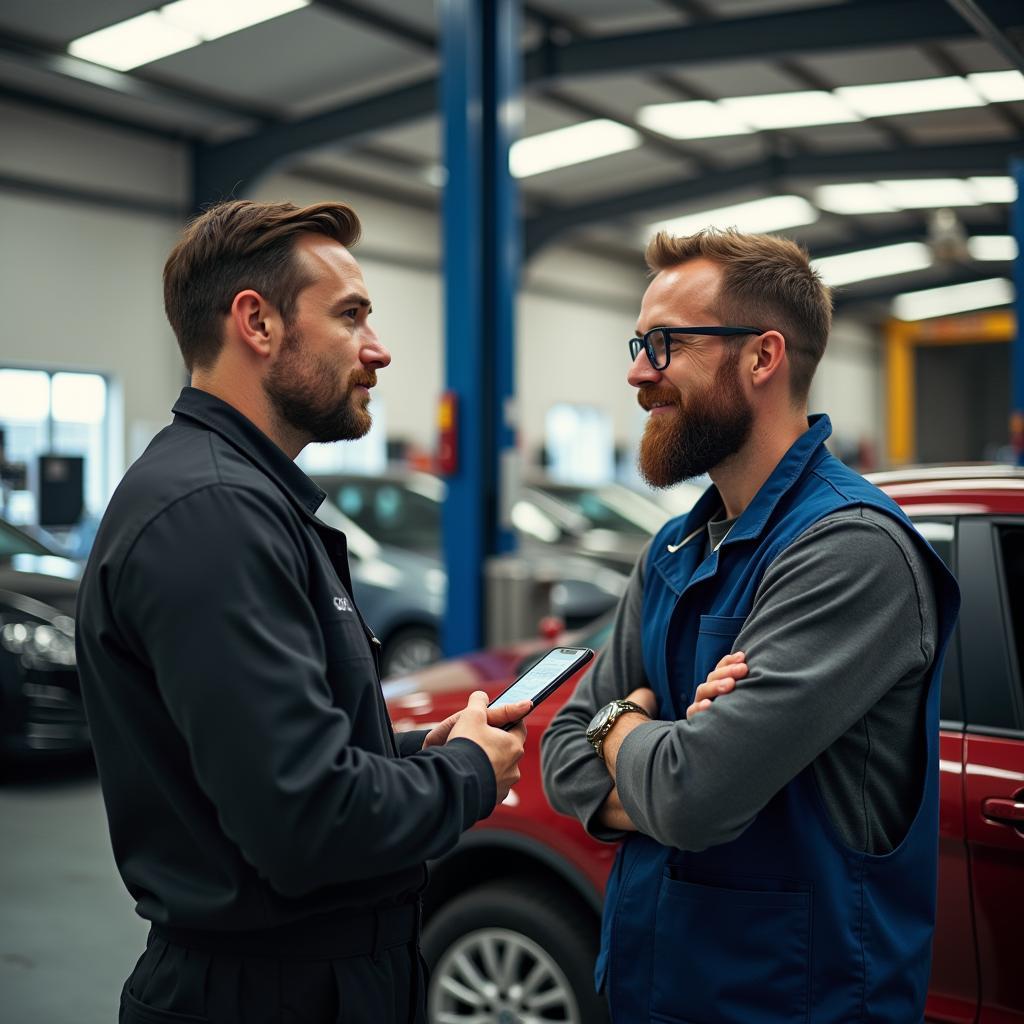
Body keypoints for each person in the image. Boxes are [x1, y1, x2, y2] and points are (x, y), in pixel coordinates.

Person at [76, 199, 529, 1024]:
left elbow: (262, 759)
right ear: (257, 322)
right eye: (351, 315)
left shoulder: (246, 500)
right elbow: (305, 822)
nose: (378, 348)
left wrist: (405, 751)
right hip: (265, 997)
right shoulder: (213, 515)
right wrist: (466, 775)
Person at [541, 229, 960, 1023]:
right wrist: (652, 744)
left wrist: (623, 726)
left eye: (663, 344)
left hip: (796, 1000)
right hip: (654, 988)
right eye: (639, 343)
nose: (637, 372)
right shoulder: (675, 547)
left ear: (762, 357)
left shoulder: (851, 550)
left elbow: (695, 797)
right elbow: (563, 753)